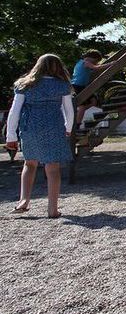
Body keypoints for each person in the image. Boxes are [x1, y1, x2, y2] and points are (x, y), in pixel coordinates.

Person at [5, 54, 74, 218]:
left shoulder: (25, 85)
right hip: (54, 128)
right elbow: (68, 110)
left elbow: (14, 112)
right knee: (53, 168)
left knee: (29, 164)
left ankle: (23, 201)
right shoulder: (62, 85)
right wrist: (69, 128)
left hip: (30, 128)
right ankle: (52, 209)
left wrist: (10, 136)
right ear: (58, 67)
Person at [71, 49, 114, 131]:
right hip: (77, 86)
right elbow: (97, 68)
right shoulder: (85, 62)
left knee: (94, 101)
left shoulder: (82, 62)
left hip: (83, 86)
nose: (96, 62)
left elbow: (94, 68)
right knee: (83, 107)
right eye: (96, 60)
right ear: (91, 57)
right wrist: (110, 64)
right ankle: (77, 124)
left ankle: (79, 110)